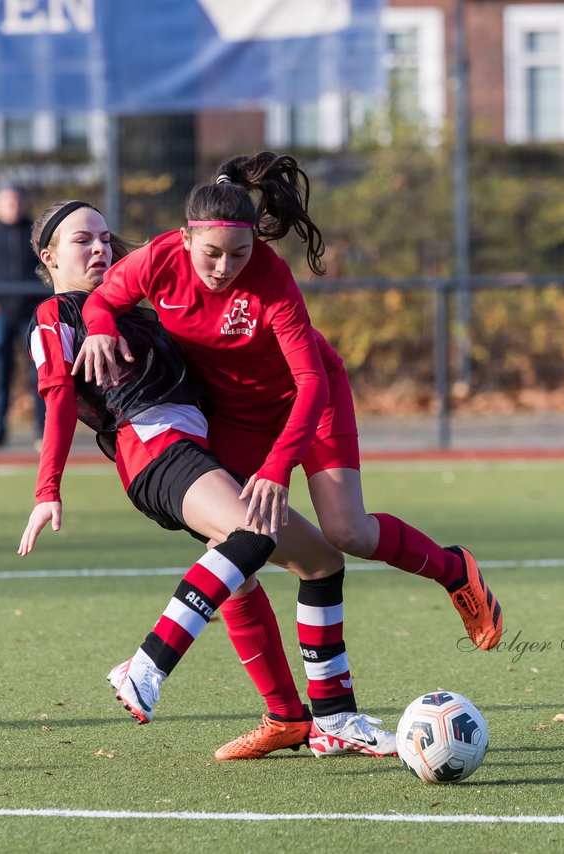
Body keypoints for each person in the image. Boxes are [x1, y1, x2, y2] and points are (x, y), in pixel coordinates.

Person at [74, 152, 504, 733]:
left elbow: (308, 382)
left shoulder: (271, 277)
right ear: (184, 238)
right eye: (212, 254)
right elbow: (103, 300)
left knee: (346, 532)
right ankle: (290, 717)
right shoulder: (158, 259)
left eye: (239, 254)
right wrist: (99, 327)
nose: (225, 268)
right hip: (233, 416)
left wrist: (277, 468)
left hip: (310, 404)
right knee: (233, 549)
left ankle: (455, 569)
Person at [17, 199, 396, 760]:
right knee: (253, 531)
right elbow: (57, 397)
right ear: (49, 256)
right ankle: (146, 663)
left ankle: (332, 717)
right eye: (81, 240)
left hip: (202, 452)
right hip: (154, 449)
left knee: (320, 561)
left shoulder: (132, 302)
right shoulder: (56, 317)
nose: (98, 246)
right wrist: (47, 488)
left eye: (103, 235)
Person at [0, 185, 50, 450]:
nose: (12, 206)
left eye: (16, 201)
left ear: (25, 203)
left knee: (40, 374)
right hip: (1, 317)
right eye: (7, 202)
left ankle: (43, 432)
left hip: (33, 316)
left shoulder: (37, 236)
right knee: (1, 375)